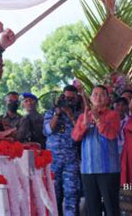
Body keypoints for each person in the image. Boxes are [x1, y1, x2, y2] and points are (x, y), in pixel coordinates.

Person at [71, 85, 121, 216]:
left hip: (108, 169)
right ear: (91, 98)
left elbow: (111, 134)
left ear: (107, 98)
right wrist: (84, 124)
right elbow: (75, 137)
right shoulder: (83, 117)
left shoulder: (113, 115)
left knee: (112, 207)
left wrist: (98, 119)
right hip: (88, 170)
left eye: (102, 94)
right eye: (95, 94)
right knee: (92, 209)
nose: (98, 97)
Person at [43, 85, 82, 216]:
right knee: (54, 195)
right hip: (53, 161)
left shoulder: (79, 115)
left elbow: (81, 132)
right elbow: (47, 130)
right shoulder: (51, 112)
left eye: (72, 98)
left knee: (72, 194)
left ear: (77, 98)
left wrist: (70, 115)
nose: (69, 101)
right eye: (66, 98)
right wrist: (57, 113)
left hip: (71, 161)